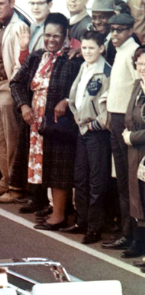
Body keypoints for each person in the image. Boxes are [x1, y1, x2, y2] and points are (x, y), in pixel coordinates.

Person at [10, 13, 83, 231]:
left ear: (66, 35)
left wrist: (67, 101)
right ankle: (54, 210)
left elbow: (82, 87)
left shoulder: (73, 59)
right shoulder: (37, 56)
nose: (51, 40)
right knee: (44, 166)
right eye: (47, 35)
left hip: (59, 123)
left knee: (59, 167)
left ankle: (59, 215)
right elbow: (16, 82)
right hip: (35, 122)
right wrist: (24, 105)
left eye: (56, 36)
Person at [101, 13, 143, 256]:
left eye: (119, 30)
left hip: (128, 122)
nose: (114, 34)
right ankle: (126, 232)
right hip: (115, 117)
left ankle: (131, 235)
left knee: (129, 182)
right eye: (112, 29)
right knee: (121, 180)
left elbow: (139, 86)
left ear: (130, 30)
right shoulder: (120, 50)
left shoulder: (133, 52)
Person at [67, 30, 112, 245]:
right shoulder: (84, 67)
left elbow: (107, 105)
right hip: (82, 129)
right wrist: (77, 116)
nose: (86, 52)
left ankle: (94, 227)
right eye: (84, 48)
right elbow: (76, 96)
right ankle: (82, 220)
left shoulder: (105, 72)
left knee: (96, 181)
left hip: (96, 133)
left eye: (91, 48)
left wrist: (95, 124)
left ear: (101, 48)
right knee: (80, 178)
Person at [0, 0, 29, 203]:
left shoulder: (18, 26)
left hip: (7, 86)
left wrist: (14, 86)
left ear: (12, 4)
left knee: (12, 139)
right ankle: (5, 179)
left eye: (2, 3)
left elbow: (21, 61)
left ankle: (15, 185)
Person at [121, 46, 145, 257]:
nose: (143, 68)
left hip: (139, 146)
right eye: (140, 64)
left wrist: (132, 137)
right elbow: (130, 116)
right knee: (136, 196)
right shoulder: (138, 86)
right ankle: (139, 242)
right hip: (135, 151)